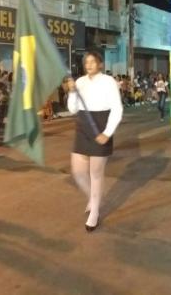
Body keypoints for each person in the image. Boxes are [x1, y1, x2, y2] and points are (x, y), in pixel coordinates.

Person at [66, 51, 123, 232]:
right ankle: (93, 196)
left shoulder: (109, 82)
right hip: (83, 125)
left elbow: (117, 108)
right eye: (86, 62)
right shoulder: (80, 82)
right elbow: (72, 109)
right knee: (78, 171)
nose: (89, 64)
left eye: (93, 61)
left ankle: (95, 212)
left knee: (95, 173)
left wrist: (107, 132)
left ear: (100, 64)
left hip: (101, 124)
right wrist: (72, 92)